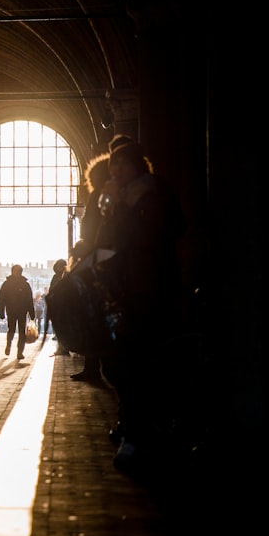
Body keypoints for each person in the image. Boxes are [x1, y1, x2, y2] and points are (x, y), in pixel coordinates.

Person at [95, 137, 185, 473]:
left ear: (138, 165)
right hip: (124, 288)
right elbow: (105, 240)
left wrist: (118, 207)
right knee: (121, 360)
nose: (117, 169)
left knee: (138, 360)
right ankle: (136, 426)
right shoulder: (116, 198)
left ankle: (137, 434)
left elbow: (143, 236)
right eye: (113, 164)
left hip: (150, 287)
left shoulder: (151, 195)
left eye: (123, 162)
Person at [66, 151, 112, 376]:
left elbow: (90, 228)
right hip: (112, 264)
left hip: (101, 265)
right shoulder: (121, 192)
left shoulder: (102, 195)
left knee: (94, 317)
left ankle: (94, 365)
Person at [0, 264, 36, 361]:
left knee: (12, 330)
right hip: (21, 311)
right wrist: (32, 313)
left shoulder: (6, 284)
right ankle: (18, 351)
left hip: (12, 310)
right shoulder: (25, 284)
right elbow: (29, 300)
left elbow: (1, 299)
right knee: (20, 332)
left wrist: (1, 312)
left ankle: (11, 346)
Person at [43, 259, 69, 354]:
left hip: (59, 306)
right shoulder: (65, 276)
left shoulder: (59, 277)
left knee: (61, 328)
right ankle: (63, 348)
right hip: (62, 306)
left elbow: (53, 291)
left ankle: (63, 348)